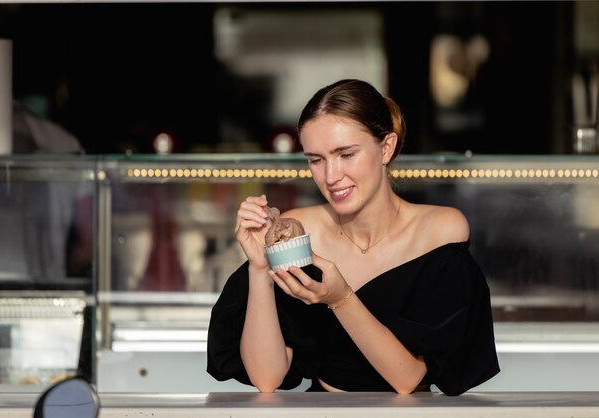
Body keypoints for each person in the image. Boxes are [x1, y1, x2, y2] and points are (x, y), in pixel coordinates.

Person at [206, 79, 500, 395]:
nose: (331, 176)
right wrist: (259, 267)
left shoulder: (440, 230)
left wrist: (341, 299)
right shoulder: (298, 230)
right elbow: (267, 378)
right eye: (316, 160)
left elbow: (408, 379)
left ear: (386, 148)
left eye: (346, 154)